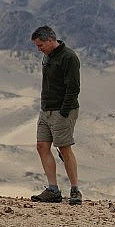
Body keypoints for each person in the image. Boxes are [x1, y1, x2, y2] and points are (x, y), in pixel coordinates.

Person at [30, 25, 83, 205]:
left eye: (40, 45)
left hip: (62, 111)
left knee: (64, 148)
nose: (39, 49)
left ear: (50, 40)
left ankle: (75, 190)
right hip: (46, 109)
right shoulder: (47, 56)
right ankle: (53, 190)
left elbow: (73, 87)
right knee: (42, 146)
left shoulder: (69, 57)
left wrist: (64, 111)